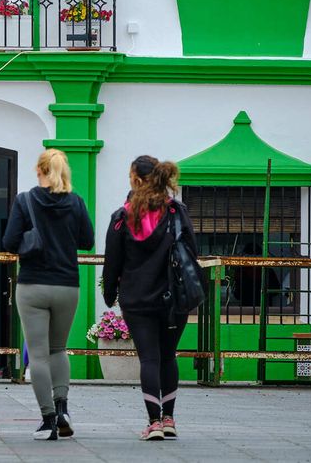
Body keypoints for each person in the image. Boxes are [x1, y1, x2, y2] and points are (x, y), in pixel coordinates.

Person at [101, 155, 199, 440]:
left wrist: (110, 293)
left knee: (149, 359)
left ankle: (153, 422)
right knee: (168, 356)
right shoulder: (176, 211)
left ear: (135, 179)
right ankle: (169, 420)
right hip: (174, 297)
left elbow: (112, 261)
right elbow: (191, 250)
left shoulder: (122, 217)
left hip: (137, 299)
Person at [1, 148, 93, 441]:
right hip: (67, 285)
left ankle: (48, 420)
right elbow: (87, 240)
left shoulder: (25, 200)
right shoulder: (76, 202)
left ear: (39, 170)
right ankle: (63, 410)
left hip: (32, 286)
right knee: (58, 349)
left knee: (38, 355)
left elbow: (9, 242)